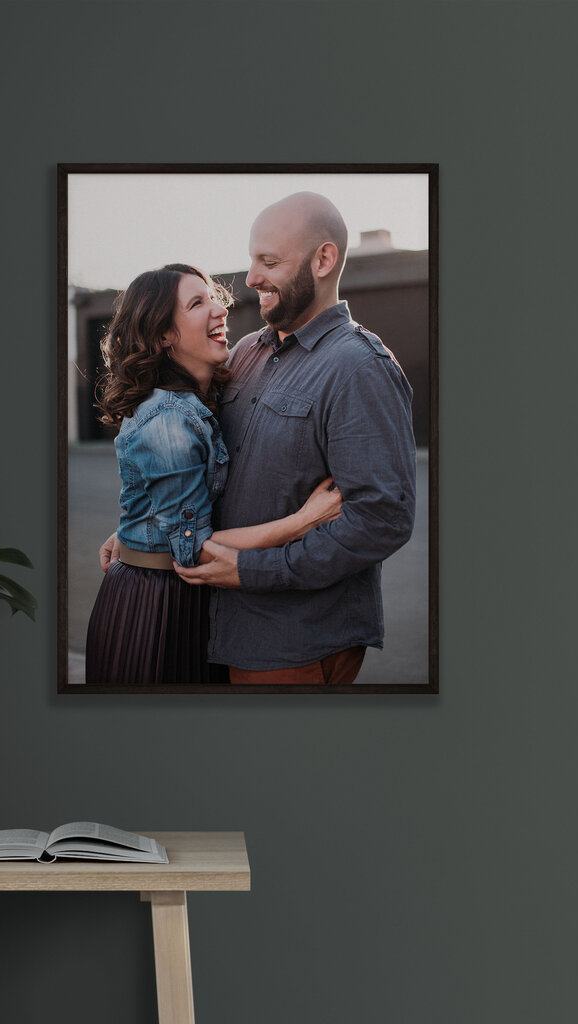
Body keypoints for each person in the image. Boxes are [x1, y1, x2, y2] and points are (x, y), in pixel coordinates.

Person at [165, 193, 417, 685]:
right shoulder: (243, 354)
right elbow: (197, 474)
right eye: (252, 259)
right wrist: (139, 531)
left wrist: (254, 571)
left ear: (323, 260)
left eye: (270, 261)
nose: (252, 278)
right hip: (215, 628)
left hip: (294, 641)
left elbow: (382, 520)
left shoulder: (359, 368)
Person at [87, 262, 344, 685]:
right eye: (196, 303)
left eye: (212, 298)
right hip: (160, 607)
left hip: (187, 597)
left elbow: (178, 507)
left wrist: (137, 525)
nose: (220, 310)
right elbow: (193, 551)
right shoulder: (169, 418)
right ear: (163, 335)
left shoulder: (205, 396)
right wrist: (304, 521)